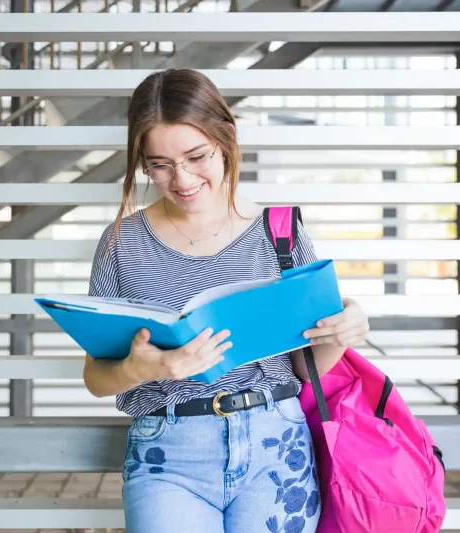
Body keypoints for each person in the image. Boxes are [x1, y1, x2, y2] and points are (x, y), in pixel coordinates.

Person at [84, 68, 370, 533]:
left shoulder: (280, 233)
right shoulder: (122, 242)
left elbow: (307, 369)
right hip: (167, 453)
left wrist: (342, 331)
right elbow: (96, 378)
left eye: (196, 156)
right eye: (159, 165)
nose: (182, 179)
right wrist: (144, 368)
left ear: (226, 140)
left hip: (277, 445)